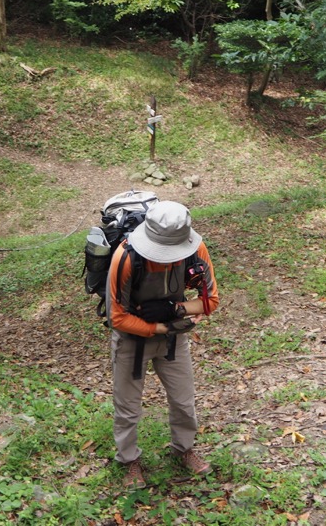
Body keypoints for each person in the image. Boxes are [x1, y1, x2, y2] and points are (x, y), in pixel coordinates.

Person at [106, 201, 219, 489]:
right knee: (128, 406)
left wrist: (175, 309)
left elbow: (211, 301)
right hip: (132, 341)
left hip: (173, 340)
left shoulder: (196, 250)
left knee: (184, 399)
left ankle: (184, 449)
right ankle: (129, 459)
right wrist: (156, 326)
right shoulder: (126, 257)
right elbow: (117, 317)